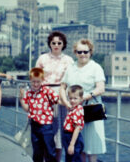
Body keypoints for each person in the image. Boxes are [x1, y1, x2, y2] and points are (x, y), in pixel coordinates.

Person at [60, 39, 106, 162]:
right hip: (73, 111)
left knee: (91, 146)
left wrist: (85, 97)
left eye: (85, 51)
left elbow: (101, 88)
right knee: (78, 145)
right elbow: (62, 87)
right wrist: (65, 102)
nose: (82, 54)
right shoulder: (71, 67)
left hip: (91, 109)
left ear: (90, 52)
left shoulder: (95, 67)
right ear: (75, 53)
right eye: (79, 52)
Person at [35, 31, 74, 161]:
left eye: (59, 43)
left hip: (61, 94)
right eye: (53, 43)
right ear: (49, 44)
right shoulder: (42, 59)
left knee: (59, 132)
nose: (56, 45)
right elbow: (36, 77)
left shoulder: (69, 60)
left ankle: (56, 159)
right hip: (44, 95)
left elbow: (72, 80)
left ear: (63, 44)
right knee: (45, 130)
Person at [19, 67, 61, 162]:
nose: (36, 84)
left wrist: (69, 103)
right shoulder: (29, 93)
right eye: (33, 82)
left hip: (46, 126)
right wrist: (21, 99)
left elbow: (57, 100)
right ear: (30, 80)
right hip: (35, 126)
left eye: (38, 82)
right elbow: (26, 109)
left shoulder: (47, 91)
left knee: (50, 150)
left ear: (42, 81)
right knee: (37, 151)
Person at [62, 85, 85, 162]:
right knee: (69, 158)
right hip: (68, 136)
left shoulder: (77, 111)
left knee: (74, 158)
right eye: (70, 98)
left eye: (75, 98)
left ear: (81, 99)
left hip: (73, 138)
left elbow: (77, 128)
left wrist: (72, 145)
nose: (72, 100)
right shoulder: (73, 108)